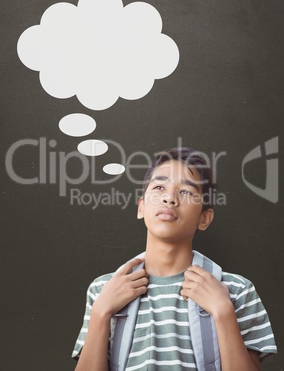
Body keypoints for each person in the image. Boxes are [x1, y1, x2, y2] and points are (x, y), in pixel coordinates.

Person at [72, 147, 277, 370]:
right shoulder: (104, 290)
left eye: (186, 192)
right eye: (159, 187)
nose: (169, 198)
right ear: (141, 207)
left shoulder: (237, 290)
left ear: (204, 219)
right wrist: (101, 312)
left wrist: (223, 312)